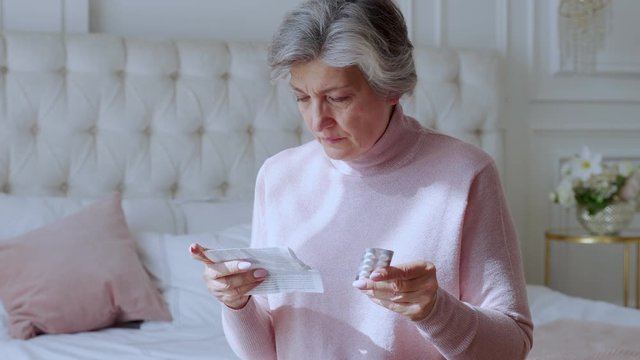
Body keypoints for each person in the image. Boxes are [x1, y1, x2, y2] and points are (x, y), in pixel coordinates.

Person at [191, 0, 533, 358]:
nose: (316, 121)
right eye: (302, 98)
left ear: (391, 88)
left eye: (337, 98)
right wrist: (237, 303)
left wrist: (434, 310)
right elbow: (265, 354)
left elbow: (512, 347)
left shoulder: (464, 175)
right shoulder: (279, 177)